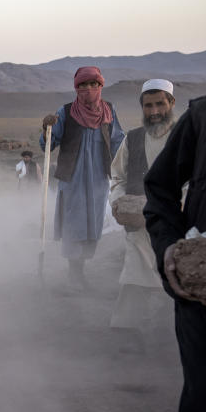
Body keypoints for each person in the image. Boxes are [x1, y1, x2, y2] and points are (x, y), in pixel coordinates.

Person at [143, 94, 206, 412]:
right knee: (205, 398)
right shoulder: (203, 117)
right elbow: (160, 188)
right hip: (203, 292)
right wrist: (169, 247)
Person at [40, 66, 126, 288]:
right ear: (76, 88)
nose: (89, 89)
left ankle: (81, 268)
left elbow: (118, 141)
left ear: (100, 85)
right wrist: (46, 129)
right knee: (74, 224)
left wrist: (129, 163)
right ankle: (74, 271)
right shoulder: (66, 112)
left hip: (98, 177)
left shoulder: (109, 111)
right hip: (73, 178)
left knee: (92, 225)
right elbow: (47, 145)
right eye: (83, 85)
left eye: (93, 84)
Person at [109, 79, 177, 332]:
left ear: (171, 103)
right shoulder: (133, 139)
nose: (155, 111)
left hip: (177, 225)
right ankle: (125, 331)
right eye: (148, 106)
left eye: (160, 104)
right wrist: (121, 204)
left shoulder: (187, 137)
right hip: (138, 226)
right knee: (134, 275)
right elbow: (118, 177)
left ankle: (172, 332)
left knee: (177, 277)